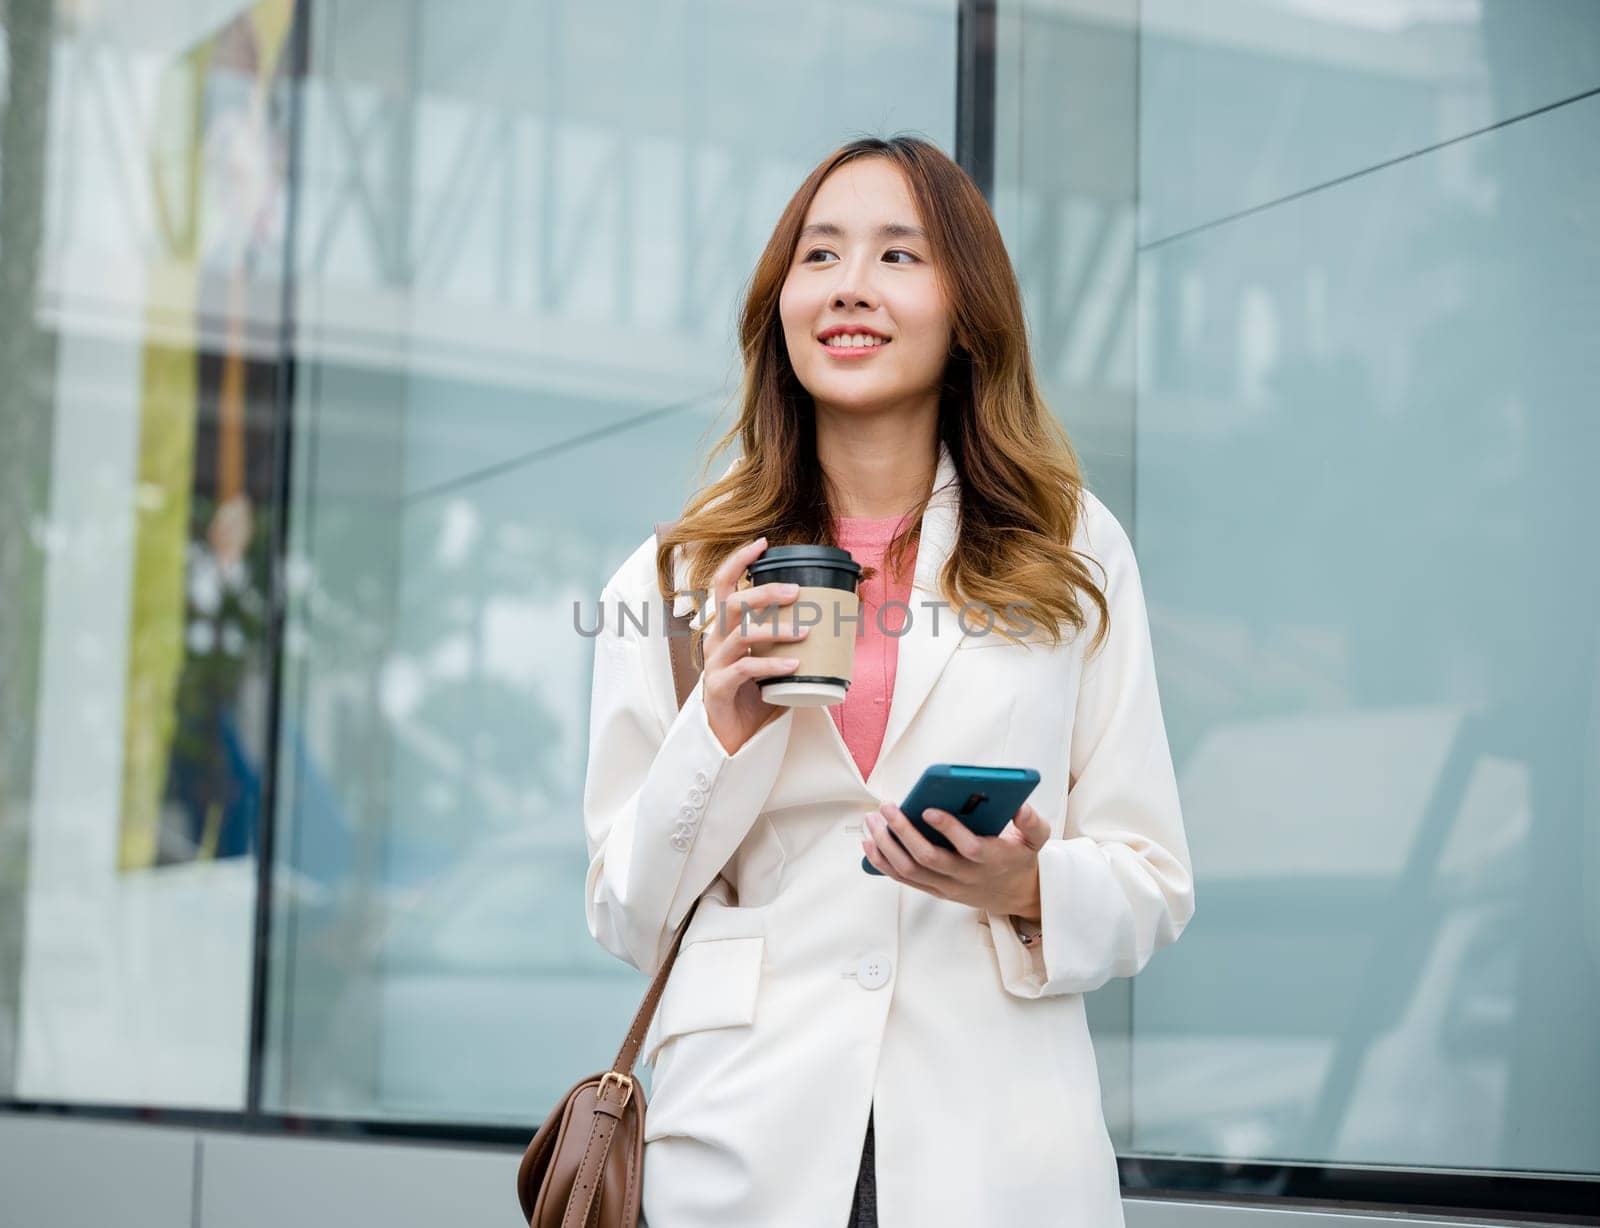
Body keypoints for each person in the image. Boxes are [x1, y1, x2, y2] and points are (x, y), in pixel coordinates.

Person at [582, 134, 1195, 1227]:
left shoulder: (1070, 551)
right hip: (742, 1151)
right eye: (817, 257)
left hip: (995, 1151)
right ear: (780, 303)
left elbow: (1153, 878)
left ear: (968, 312)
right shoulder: (675, 575)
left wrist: (1025, 889)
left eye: (898, 257)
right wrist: (717, 725)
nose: (849, 287)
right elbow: (627, 916)